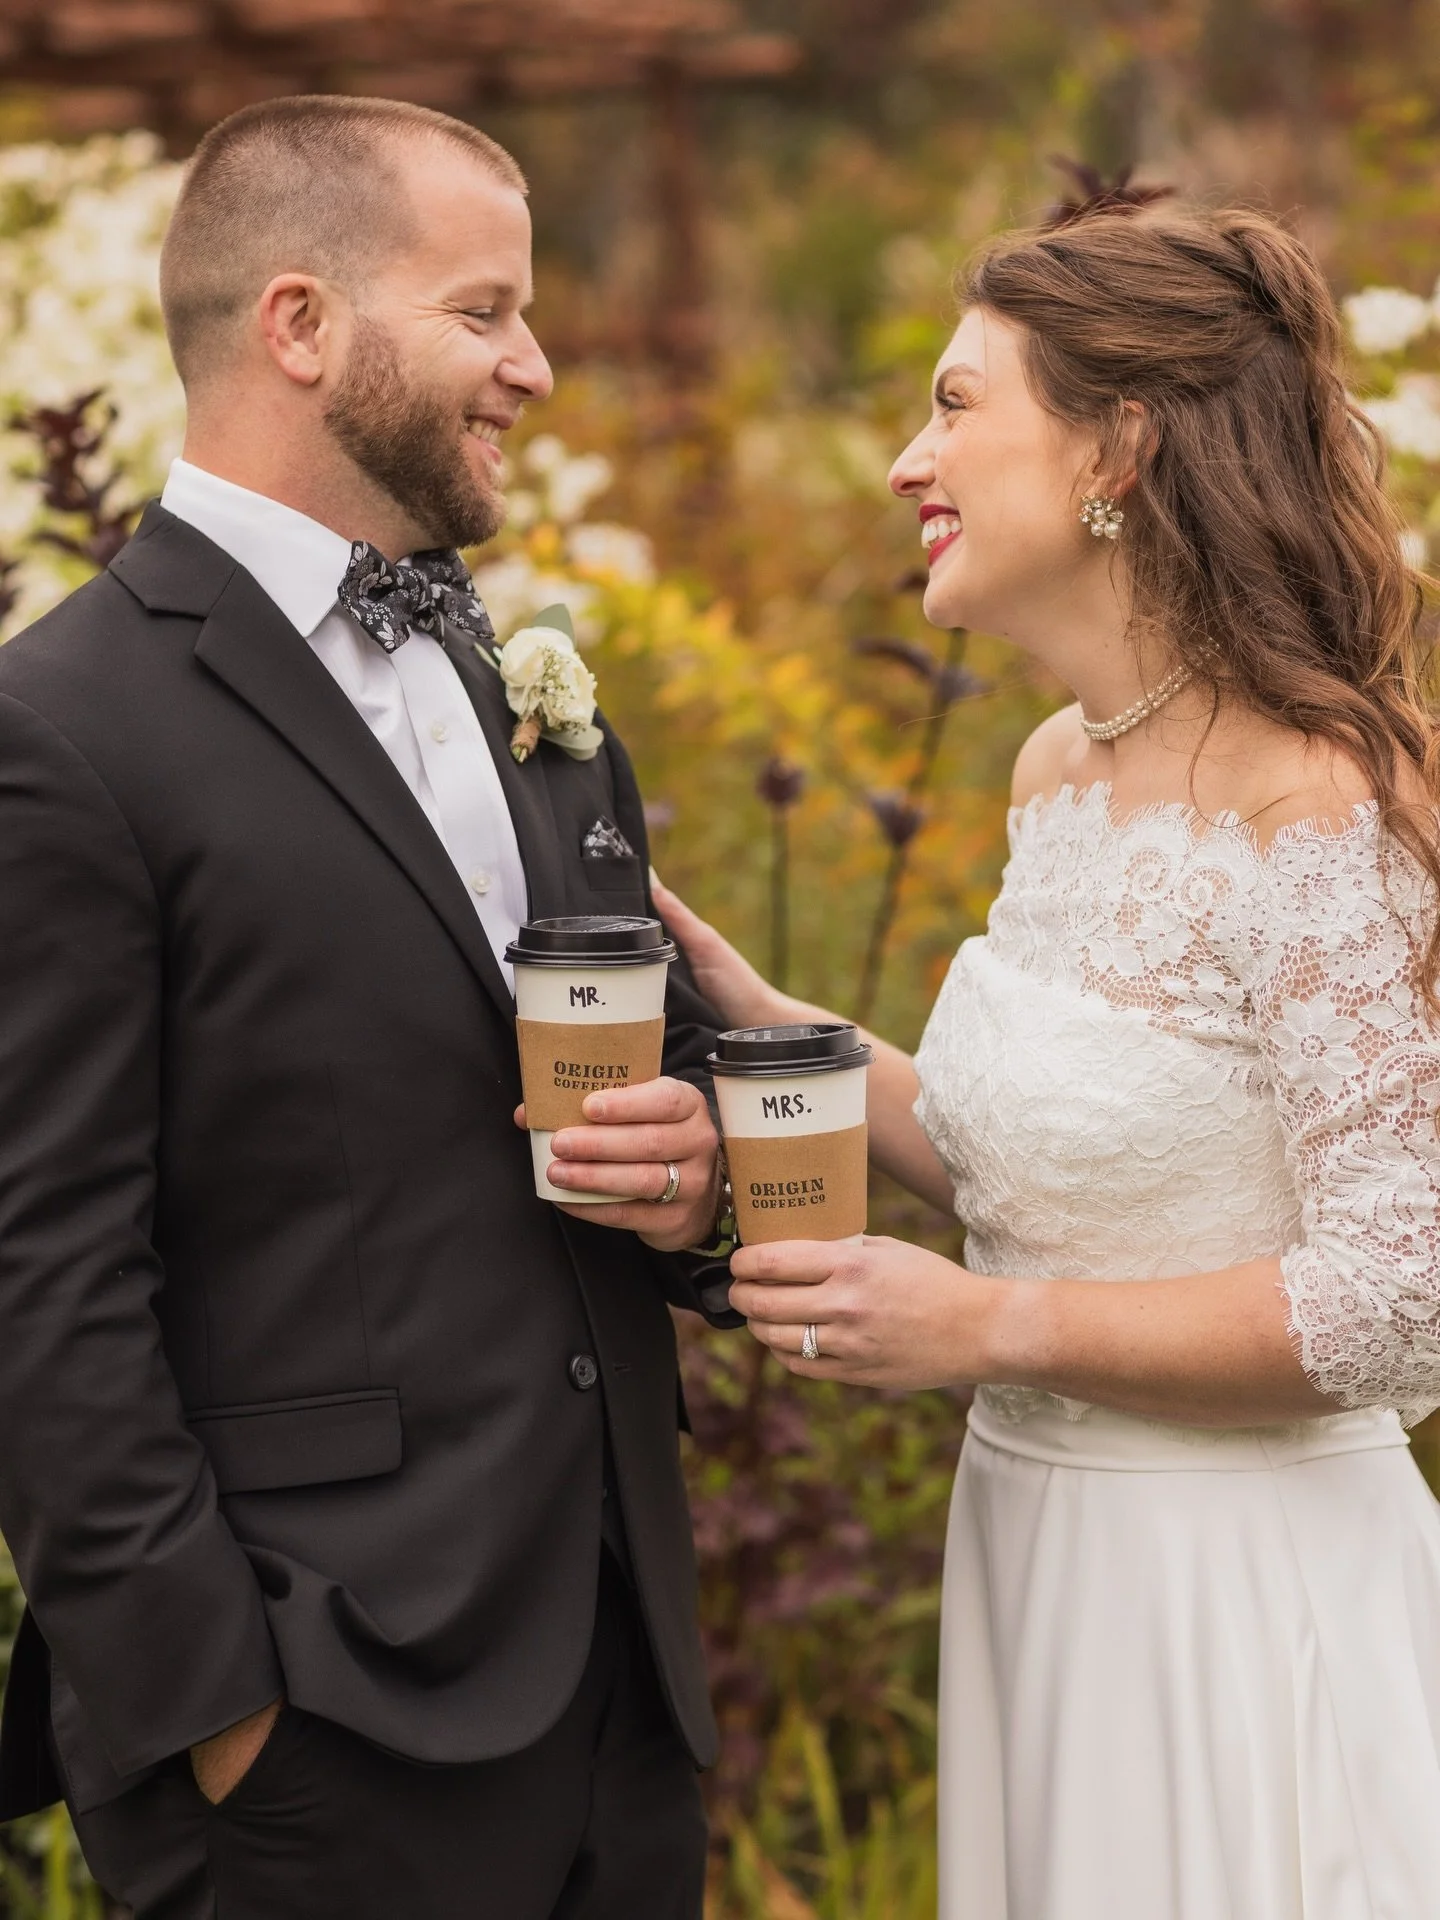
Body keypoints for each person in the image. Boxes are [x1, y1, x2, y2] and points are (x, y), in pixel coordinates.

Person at [0, 95, 737, 1920]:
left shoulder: (525, 684)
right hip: (313, 1731)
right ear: (302, 326)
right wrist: (221, 1710)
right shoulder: (60, 733)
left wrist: (700, 1173)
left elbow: (663, 1093)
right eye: (485, 311)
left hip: (618, 1693)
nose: (537, 368)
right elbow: (40, 1275)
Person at [659, 198, 1440, 1917]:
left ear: (1120, 446)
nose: (898, 462)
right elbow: (1038, 1145)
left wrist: (982, 1326)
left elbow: (1401, 1300)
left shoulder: (1316, 807)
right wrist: (746, 1012)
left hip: (1236, 1594)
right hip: (1039, 1552)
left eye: (953, 405)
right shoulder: (1054, 772)